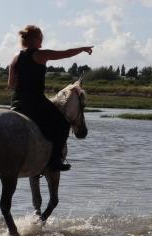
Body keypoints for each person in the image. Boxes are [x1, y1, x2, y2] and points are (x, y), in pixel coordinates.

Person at [8, 25, 93, 171]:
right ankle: (55, 161)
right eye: (41, 37)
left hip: (17, 101)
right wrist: (82, 48)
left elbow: (11, 84)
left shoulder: (16, 57)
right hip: (35, 102)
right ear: (35, 39)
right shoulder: (41, 55)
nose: (42, 40)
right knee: (62, 124)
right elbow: (65, 53)